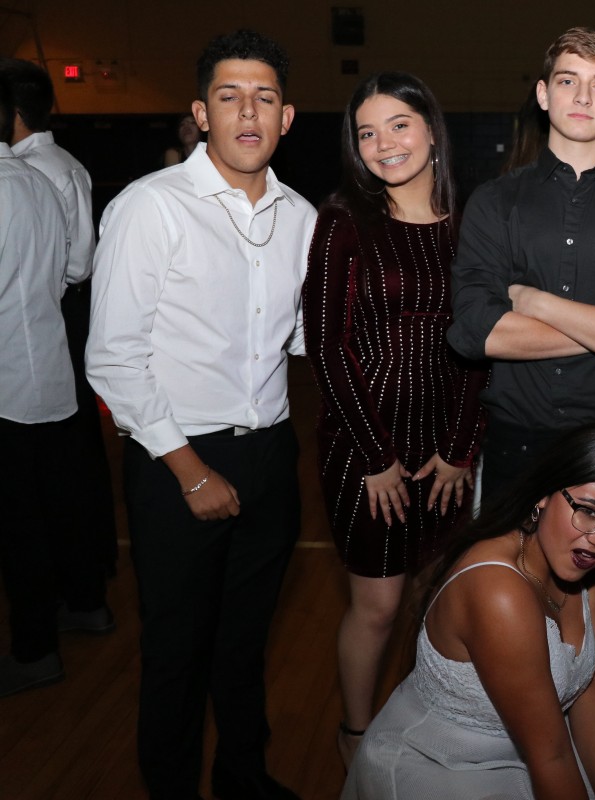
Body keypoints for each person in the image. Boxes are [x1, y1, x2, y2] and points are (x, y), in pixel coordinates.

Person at [86, 30, 316, 800]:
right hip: (174, 460)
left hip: (269, 457)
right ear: (200, 113)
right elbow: (114, 358)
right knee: (177, 651)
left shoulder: (302, 216)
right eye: (229, 96)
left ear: (287, 117)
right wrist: (188, 472)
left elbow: (309, 339)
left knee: (245, 645)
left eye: (265, 97)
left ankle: (244, 779)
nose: (248, 112)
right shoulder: (150, 208)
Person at [342, 424, 595, 800]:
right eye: (588, 511)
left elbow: (594, 684)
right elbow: (550, 756)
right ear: (542, 495)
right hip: (442, 765)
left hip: (541, 741)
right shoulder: (498, 592)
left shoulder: (581, 561)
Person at [303, 70, 488, 769]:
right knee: (376, 608)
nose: (384, 144)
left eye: (399, 125)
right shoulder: (343, 221)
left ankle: (424, 724)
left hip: (447, 448)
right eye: (367, 133)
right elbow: (327, 345)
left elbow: (482, 348)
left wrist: (461, 450)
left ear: (432, 131)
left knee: (432, 603)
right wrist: (376, 457)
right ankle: (355, 738)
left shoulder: (474, 225)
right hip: (363, 448)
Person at [447, 26, 595, 497]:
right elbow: (475, 331)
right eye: (566, 80)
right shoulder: (494, 202)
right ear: (542, 93)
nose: (582, 96)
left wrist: (534, 302)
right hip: (515, 440)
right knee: (505, 570)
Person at [0, 56, 115, 630]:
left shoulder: (31, 174)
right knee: (66, 476)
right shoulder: (51, 170)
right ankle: (86, 587)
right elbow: (73, 262)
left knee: (36, 495)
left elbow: (75, 267)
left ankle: (44, 622)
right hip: (51, 328)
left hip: (45, 332)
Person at [0, 79, 73, 697]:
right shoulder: (39, 184)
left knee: (18, 524)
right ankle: (44, 632)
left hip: (6, 384)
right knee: (40, 514)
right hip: (44, 375)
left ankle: (32, 647)